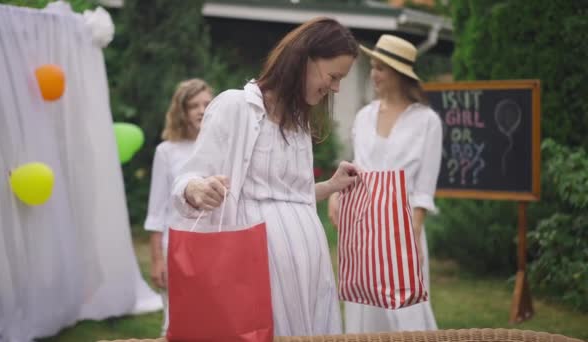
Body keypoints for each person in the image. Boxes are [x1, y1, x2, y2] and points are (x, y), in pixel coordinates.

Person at [171, 17, 360, 336]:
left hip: (309, 278)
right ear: (305, 60)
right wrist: (197, 189)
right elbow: (188, 178)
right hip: (257, 272)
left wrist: (331, 186)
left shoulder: (299, 125)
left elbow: (291, 198)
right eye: (333, 76)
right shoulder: (235, 107)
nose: (336, 87)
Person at [328, 34, 442, 332]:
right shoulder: (364, 116)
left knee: (407, 310)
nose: (374, 74)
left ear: (399, 74)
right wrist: (336, 195)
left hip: (402, 227)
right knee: (363, 304)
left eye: (380, 68)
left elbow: (425, 187)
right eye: (373, 66)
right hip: (362, 225)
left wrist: (413, 235)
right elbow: (355, 167)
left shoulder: (427, 121)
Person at [143, 78, 213, 336]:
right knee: (176, 323)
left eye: (207, 103)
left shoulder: (224, 148)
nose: (202, 110)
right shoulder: (167, 151)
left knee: (214, 321)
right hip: (177, 246)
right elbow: (156, 211)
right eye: (194, 105)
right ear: (182, 112)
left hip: (216, 245)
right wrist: (156, 260)